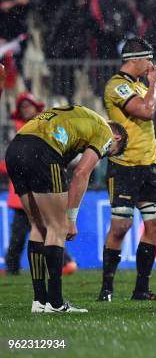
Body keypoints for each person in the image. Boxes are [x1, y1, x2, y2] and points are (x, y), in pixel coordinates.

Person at [5, 104, 127, 313]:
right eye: (110, 152)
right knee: (58, 227)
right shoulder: (105, 132)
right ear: (116, 138)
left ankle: (39, 301)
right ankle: (56, 303)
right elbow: (81, 173)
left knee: (38, 225)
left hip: (16, 147)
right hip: (42, 149)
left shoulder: (83, 120)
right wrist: (71, 219)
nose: (104, 155)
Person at [98, 38, 156, 302]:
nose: (151, 65)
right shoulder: (117, 86)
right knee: (121, 226)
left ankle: (141, 288)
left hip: (149, 164)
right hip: (124, 166)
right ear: (136, 60)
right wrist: (154, 85)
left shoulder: (139, 86)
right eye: (148, 59)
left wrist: (150, 86)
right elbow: (146, 112)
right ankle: (106, 289)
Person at [1, 92, 77, 276]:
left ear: (36, 109)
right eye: (23, 107)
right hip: (25, 192)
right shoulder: (24, 129)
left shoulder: (24, 131)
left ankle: (60, 262)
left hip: (33, 190)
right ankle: (61, 262)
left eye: (29, 106)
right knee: (33, 231)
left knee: (42, 228)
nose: (26, 109)